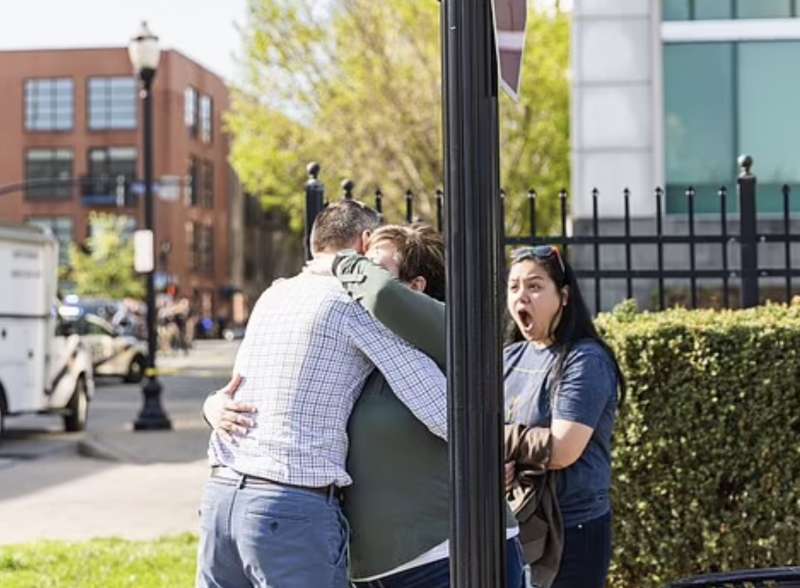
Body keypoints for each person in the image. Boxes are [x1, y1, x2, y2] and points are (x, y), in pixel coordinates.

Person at [208, 224, 526, 587]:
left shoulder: (429, 349)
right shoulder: (353, 349)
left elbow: (461, 423)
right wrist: (214, 406)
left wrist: (342, 262)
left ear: (414, 290)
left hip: (449, 555)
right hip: (376, 570)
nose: (358, 276)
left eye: (374, 266)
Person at [197, 202, 448, 588]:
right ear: (364, 242)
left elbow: (241, 388)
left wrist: (210, 406)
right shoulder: (352, 303)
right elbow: (442, 411)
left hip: (222, 496)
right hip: (288, 507)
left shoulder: (272, 296)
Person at [504, 245, 625, 588]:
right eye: (514, 287)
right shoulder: (509, 357)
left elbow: (562, 450)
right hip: (518, 526)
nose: (521, 297)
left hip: (574, 528)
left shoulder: (584, 360)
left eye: (535, 286)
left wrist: (498, 439)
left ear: (565, 296)